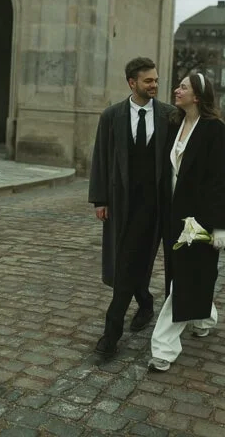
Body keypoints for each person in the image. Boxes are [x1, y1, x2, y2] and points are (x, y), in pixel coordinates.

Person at [88, 57, 175, 357]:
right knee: (127, 260)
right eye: (148, 80)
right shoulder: (111, 116)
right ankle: (131, 315)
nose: (154, 85)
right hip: (122, 203)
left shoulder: (169, 116)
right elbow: (101, 158)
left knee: (132, 261)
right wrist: (100, 199)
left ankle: (122, 326)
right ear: (132, 83)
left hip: (156, 206)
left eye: (156, 80)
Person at [148, 72, 225, 372]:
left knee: (182, 280)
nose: (176, 89)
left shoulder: (214, 130)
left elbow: (221, 181)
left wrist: (220, 226)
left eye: (182, 87)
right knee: (186, 275)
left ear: (197, 96)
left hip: (199, 219)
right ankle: (205, 315)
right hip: (173, 216)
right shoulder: (176, 124)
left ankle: (163, 348)